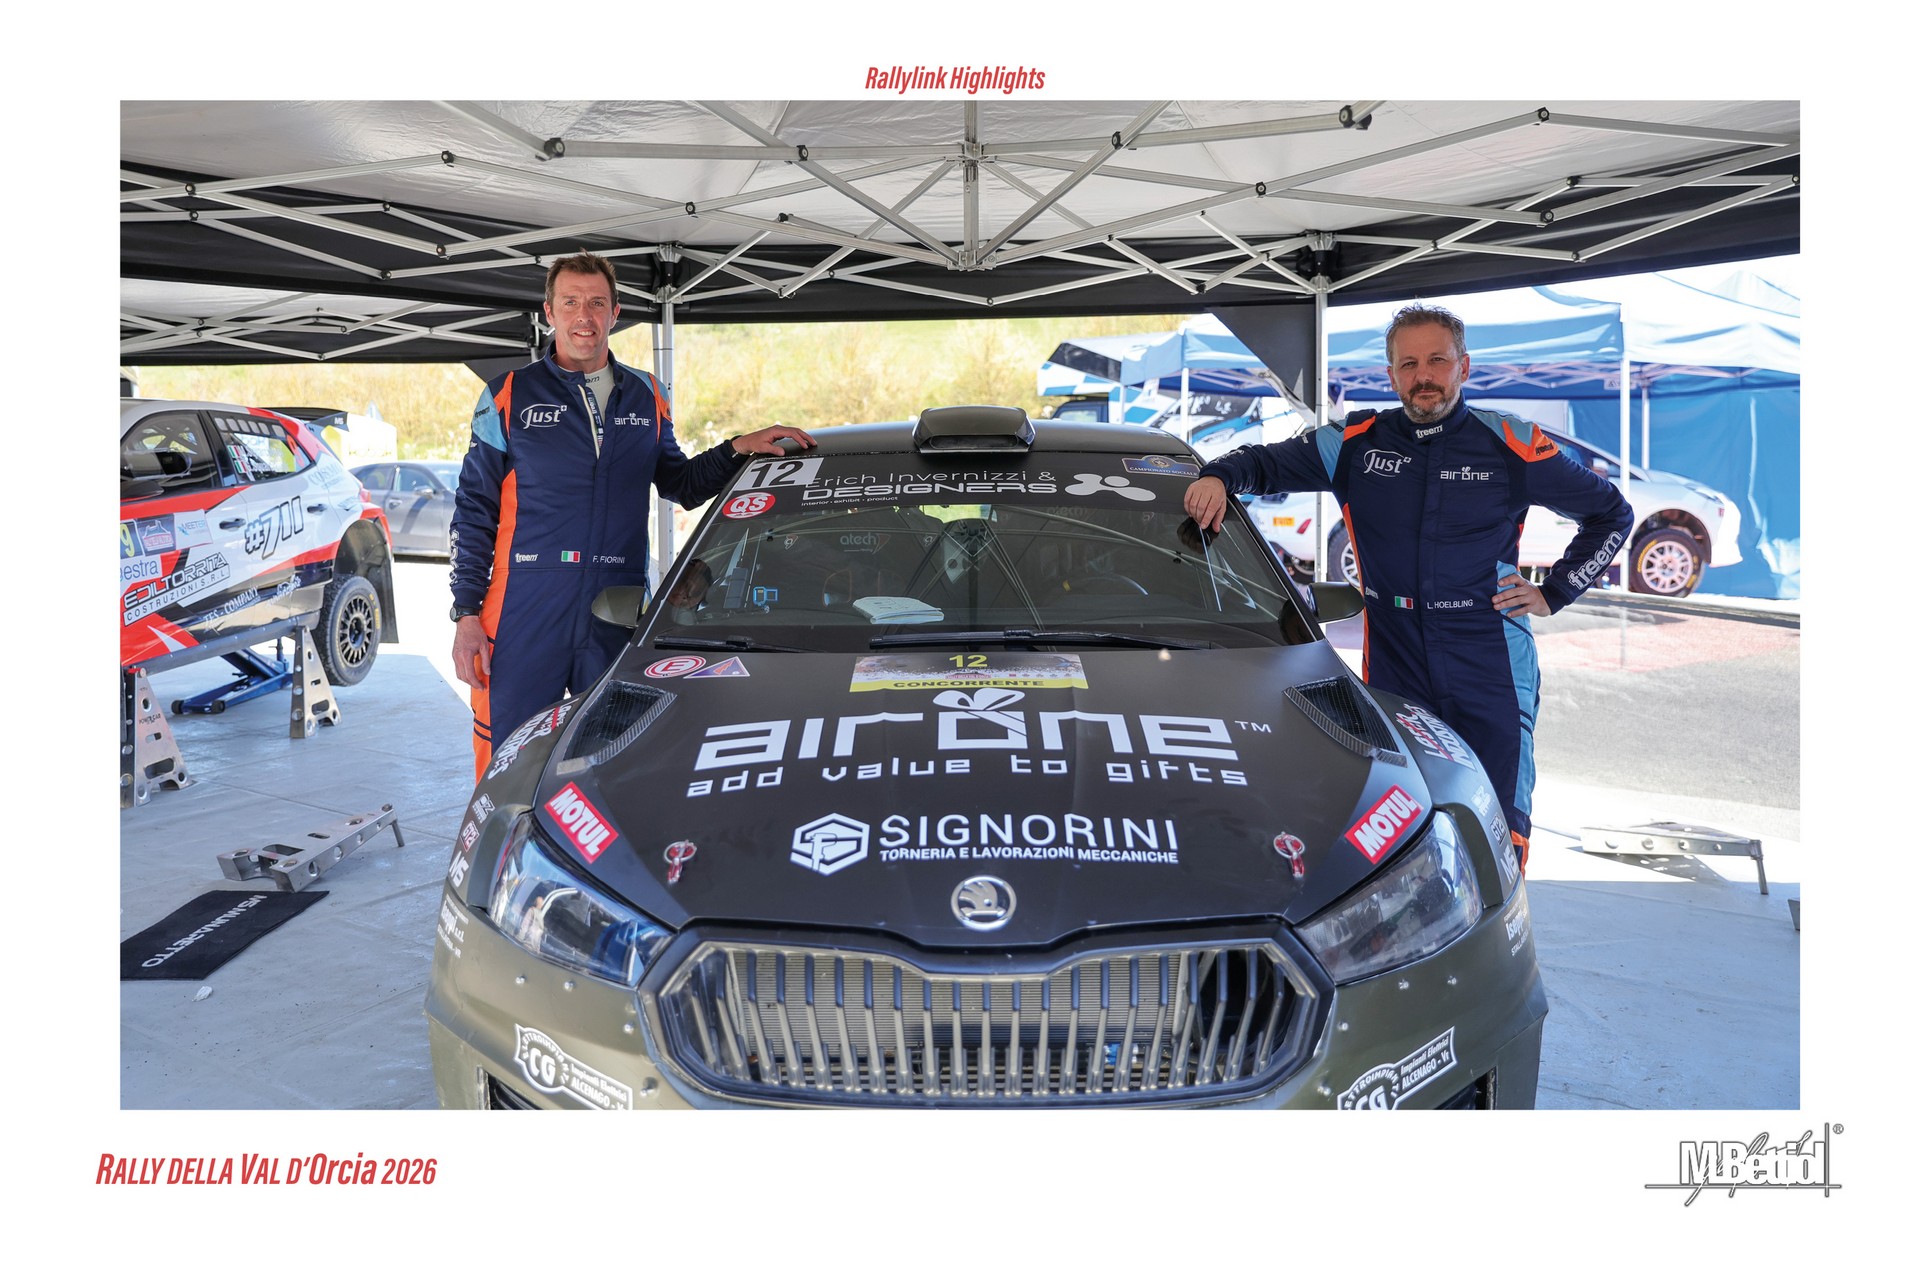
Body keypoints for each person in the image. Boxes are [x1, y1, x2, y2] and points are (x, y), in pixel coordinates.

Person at [1185, 303, 1631, 871]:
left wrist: (1556, 591)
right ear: (1392, 375)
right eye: (1409, 364)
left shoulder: (1510, 442)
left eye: (1438, 361)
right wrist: (1218, 476)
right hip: (1396, 657)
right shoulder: (1355, 442)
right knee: (1400, 823)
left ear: (1463, 367)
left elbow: (1611, 514)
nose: (1424, 376)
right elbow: (1262, 463)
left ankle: (1501, 924)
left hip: (1489, 658)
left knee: (1500, 827)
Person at [450, 252, 814, 776]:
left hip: (616, 603)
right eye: (570, 302)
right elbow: (474, 509)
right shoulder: (508, 394)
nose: (584, 316)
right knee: (510, 757)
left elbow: (681, 484)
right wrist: (466, 613)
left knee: (615, 759)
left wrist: (736, 448)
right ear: (549, 312)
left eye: (597, 303)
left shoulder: (647, 393)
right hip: (524, 605)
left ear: (615, 313)